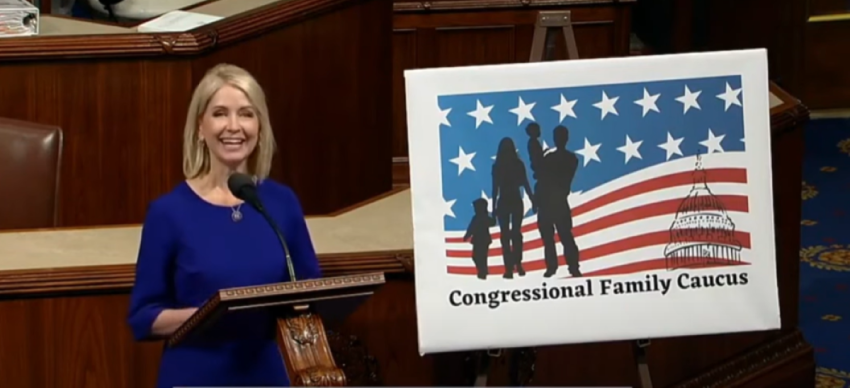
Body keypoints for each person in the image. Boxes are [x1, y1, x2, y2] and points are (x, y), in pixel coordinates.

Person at [127, 63, 322, 388]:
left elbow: (312, 289)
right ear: (200, 127)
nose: (234, 126)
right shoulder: (168, 213)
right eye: (220, 113)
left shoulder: (281, 203)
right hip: (196, 376)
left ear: (260, 127)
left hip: (269, 374)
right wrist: (214, 313)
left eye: (246, 114)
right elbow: (143, 318)